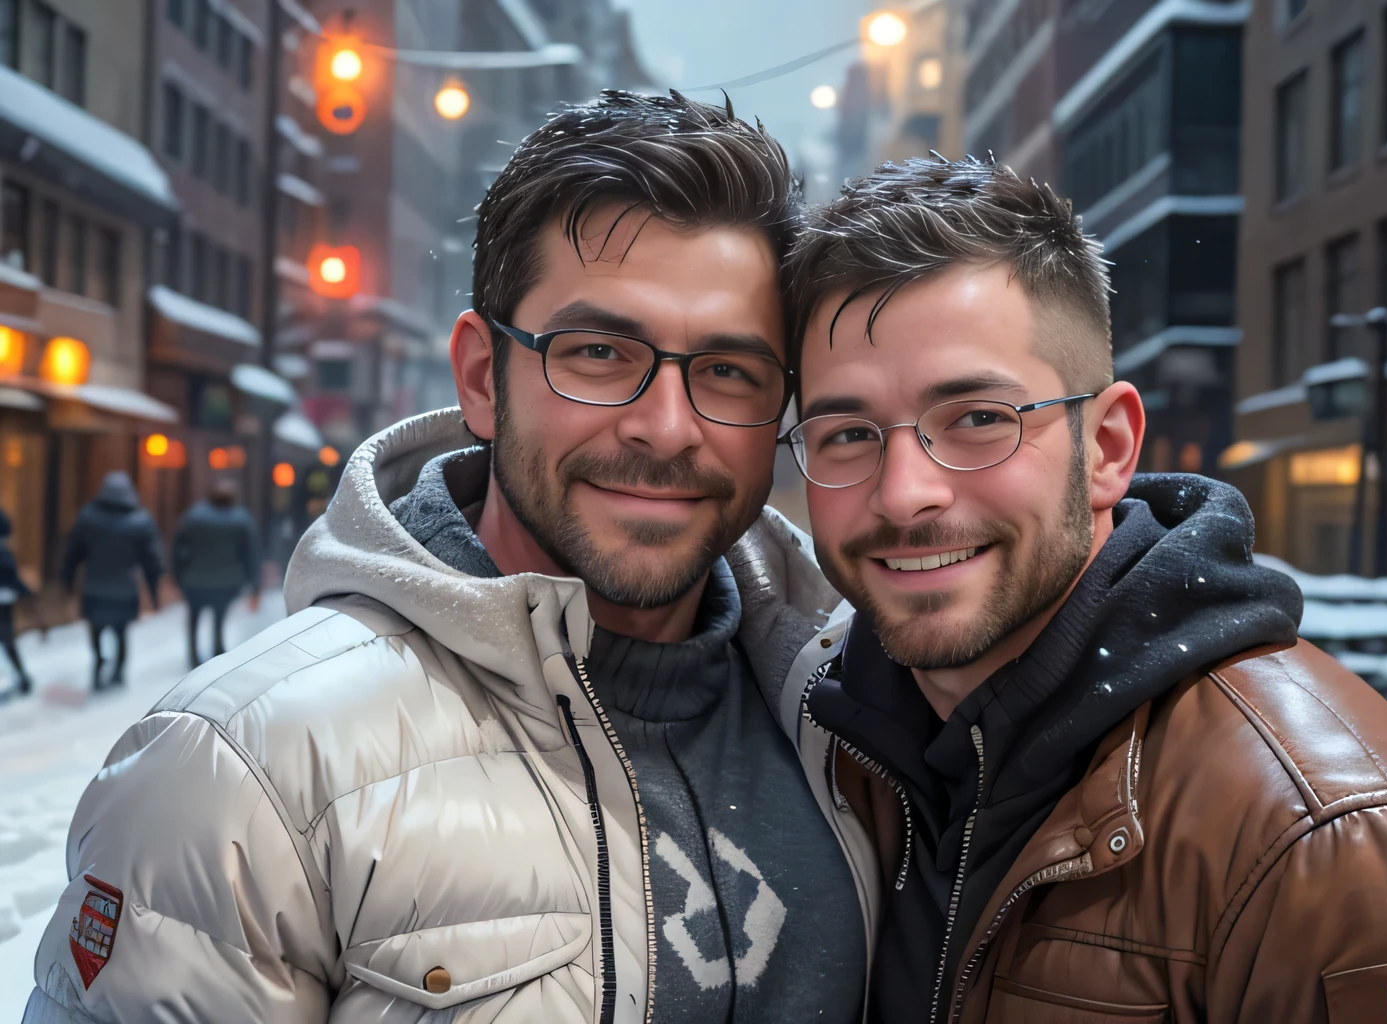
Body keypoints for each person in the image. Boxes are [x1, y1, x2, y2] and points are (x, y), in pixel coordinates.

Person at [26, 92, 875, 1023]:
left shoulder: (860, 727)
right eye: (596, 352)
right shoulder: (244, 776)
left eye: (726, 372)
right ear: (480, 377)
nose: (667, 428)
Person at [783, 156, 1387, 1023]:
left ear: (1106, 448)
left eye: (980, 419)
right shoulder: (840, 758)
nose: (904, 491)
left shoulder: (1351, 847)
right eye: (846, 433)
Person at [59, 471, 163, 689]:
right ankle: (118, 671)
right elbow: (151, 561)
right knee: (121, 632)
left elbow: (72, 554)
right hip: (125, 588)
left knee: (95, 630)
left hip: (94, 586)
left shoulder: (87, 517)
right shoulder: (141, 521)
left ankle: (98, 664)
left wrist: (66, 582)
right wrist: (154, 593)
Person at [172, 478, 262, 667]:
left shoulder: (193, 516)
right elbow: (250, 553)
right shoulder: (241, 519)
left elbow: (178, 548)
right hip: (227, 581)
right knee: (219, 616)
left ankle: (193, 655)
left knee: (194, 616)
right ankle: (218, 648)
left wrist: (177, 575)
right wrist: (254, 584)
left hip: (194, 579)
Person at [0, 507, 33, 696]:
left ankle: (22, 677)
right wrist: (26, 591)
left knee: (8, 642)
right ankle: (23, 677)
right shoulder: (3, 551)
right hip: (3, 601)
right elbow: (10, 577)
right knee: (8, 641)